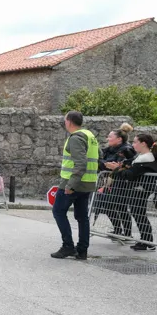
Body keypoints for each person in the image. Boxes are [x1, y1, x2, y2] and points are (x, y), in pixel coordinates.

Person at [51, 111, 99, 260]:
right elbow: (98, 157)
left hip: (73, 183)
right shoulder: (90, 136)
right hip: (88, 183)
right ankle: (82, 250)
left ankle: (68, 247)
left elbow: (81, 163)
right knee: (82, 217)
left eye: (65, 120)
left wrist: (71, 185)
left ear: (70, 122)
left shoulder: (76, 138)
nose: (64, 123)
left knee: (58, 211)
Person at [110, 134, 157, 251]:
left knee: (139, 214)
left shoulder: (146, 158)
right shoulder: (142, 157)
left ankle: (147, 241)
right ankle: (147, 241)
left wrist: (115, 169)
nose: (133, 144)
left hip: (140, 190)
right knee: (138, 214)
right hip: (138, 189)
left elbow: (130, 174)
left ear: (143, 143)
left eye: (135, 142)